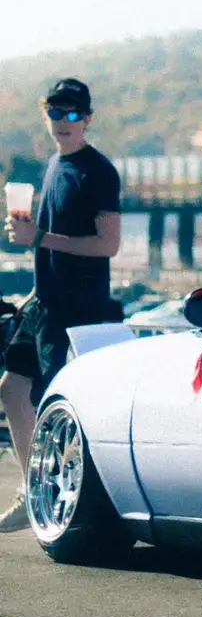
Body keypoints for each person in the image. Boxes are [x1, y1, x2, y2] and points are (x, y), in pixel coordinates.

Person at [1, 78, 122, 527]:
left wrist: (40, 238)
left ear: (87, 118)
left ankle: (66, 502)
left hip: (77, 307)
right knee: (12, 390)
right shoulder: (53, 165)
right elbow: (47, 241)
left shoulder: (99, 171)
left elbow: (108, 244)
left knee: (59, 404)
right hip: (45, 301)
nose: (63, 122)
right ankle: (34, 488)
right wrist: (34, 265)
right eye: (55, 113)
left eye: (72, 114)